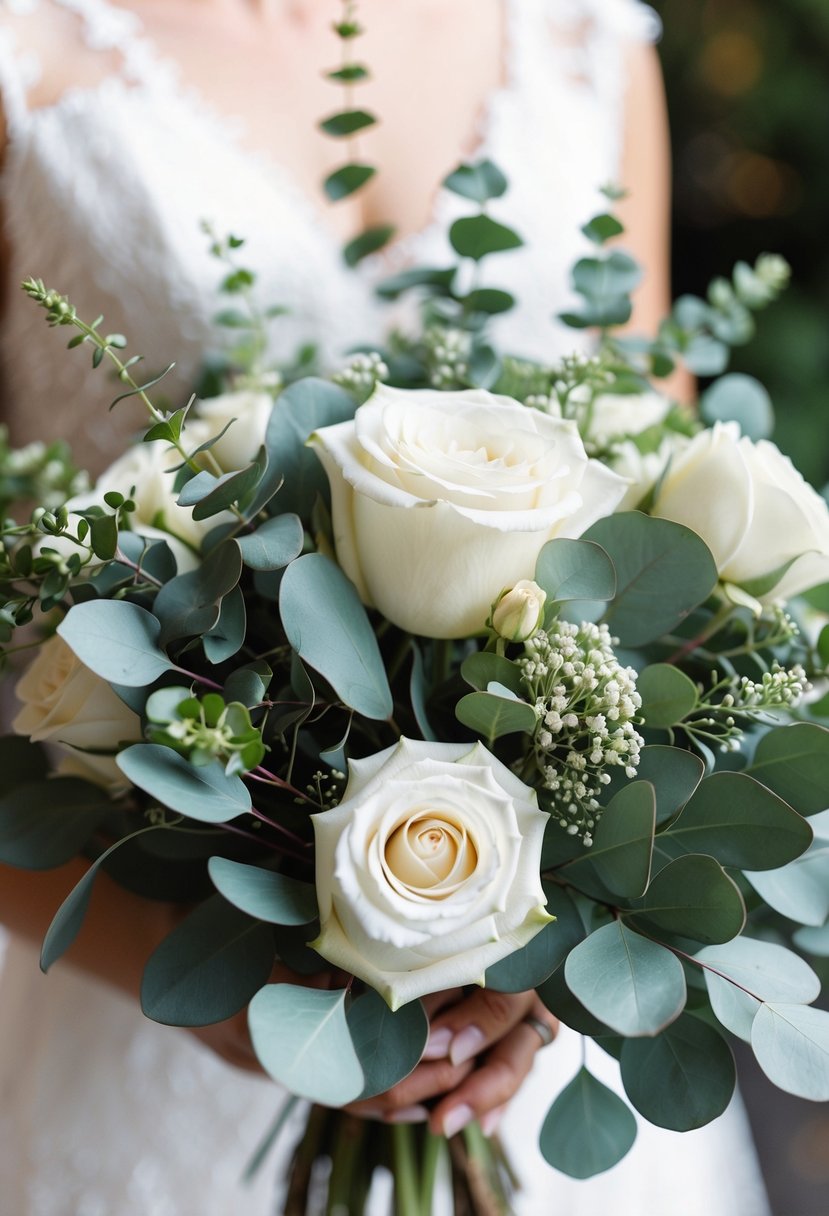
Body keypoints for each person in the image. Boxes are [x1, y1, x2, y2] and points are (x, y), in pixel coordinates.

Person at [0, 2, 771, 1213]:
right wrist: (197, 981)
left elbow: (661, 535)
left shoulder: (583, 36)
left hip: (525, 1045)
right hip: (146, 991)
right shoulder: (26, 47)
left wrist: (546, 955)